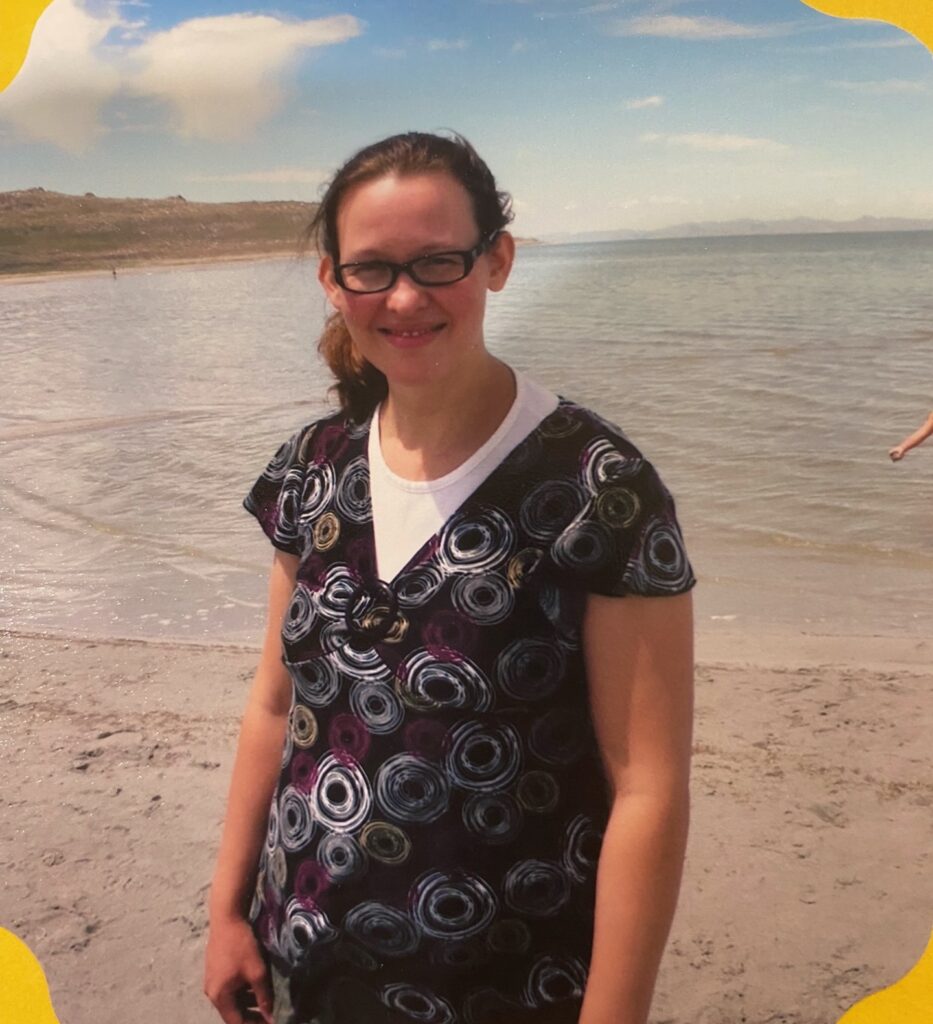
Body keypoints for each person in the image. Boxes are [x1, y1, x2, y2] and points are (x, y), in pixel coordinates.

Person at [203, 131, 695, 1024]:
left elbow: (647, 789)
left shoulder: (595, 488)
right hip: (303, 963)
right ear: (331, 281)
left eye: (438, 262)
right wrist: (226, 910)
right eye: (371, 269)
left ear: (496, 261)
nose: (403, 297)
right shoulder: (311, 468)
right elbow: (276, 708)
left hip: (509, 982)